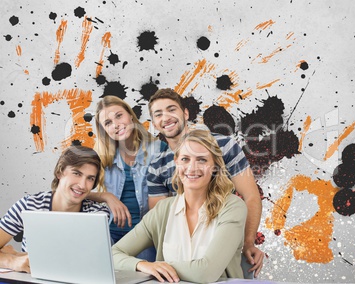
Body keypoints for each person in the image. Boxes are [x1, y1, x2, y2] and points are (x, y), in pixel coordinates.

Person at [146, 88, 264, 277]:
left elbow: (251, 196)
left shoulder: (224, 145)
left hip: (223, 242)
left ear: (185, 113)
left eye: (171, 109)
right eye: (158, 114)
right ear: (154, 123)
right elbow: (160, 221)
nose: (166, 117)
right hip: (182, 255)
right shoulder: (156, 166)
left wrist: (248, 242)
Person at [113, 130, 247, 283]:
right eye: (185, 159)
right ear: (176, 162)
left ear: (215, 166)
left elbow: (206, 273)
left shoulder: (233, 207)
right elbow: (114, 253)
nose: (192, 167)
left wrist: (162, 266)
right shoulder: (162, 210)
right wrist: (142, 265)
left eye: (202, 160)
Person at [0, 146, 110, 273]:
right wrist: (11, 261)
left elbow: (82, 263)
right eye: (76, 173)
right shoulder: (29, 205)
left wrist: (16, 254)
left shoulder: (97, 214)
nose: (82, 185)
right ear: (59, 172)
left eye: (90, 178)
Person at [89, 96, 166, 258]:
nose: (116, 125)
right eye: (108, 123)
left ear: (130, 116)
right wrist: (106, 196)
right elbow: (73, 191)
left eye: (119, 116)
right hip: (110, 233)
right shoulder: (101, 156)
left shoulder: (158, 149)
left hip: (144, 234)